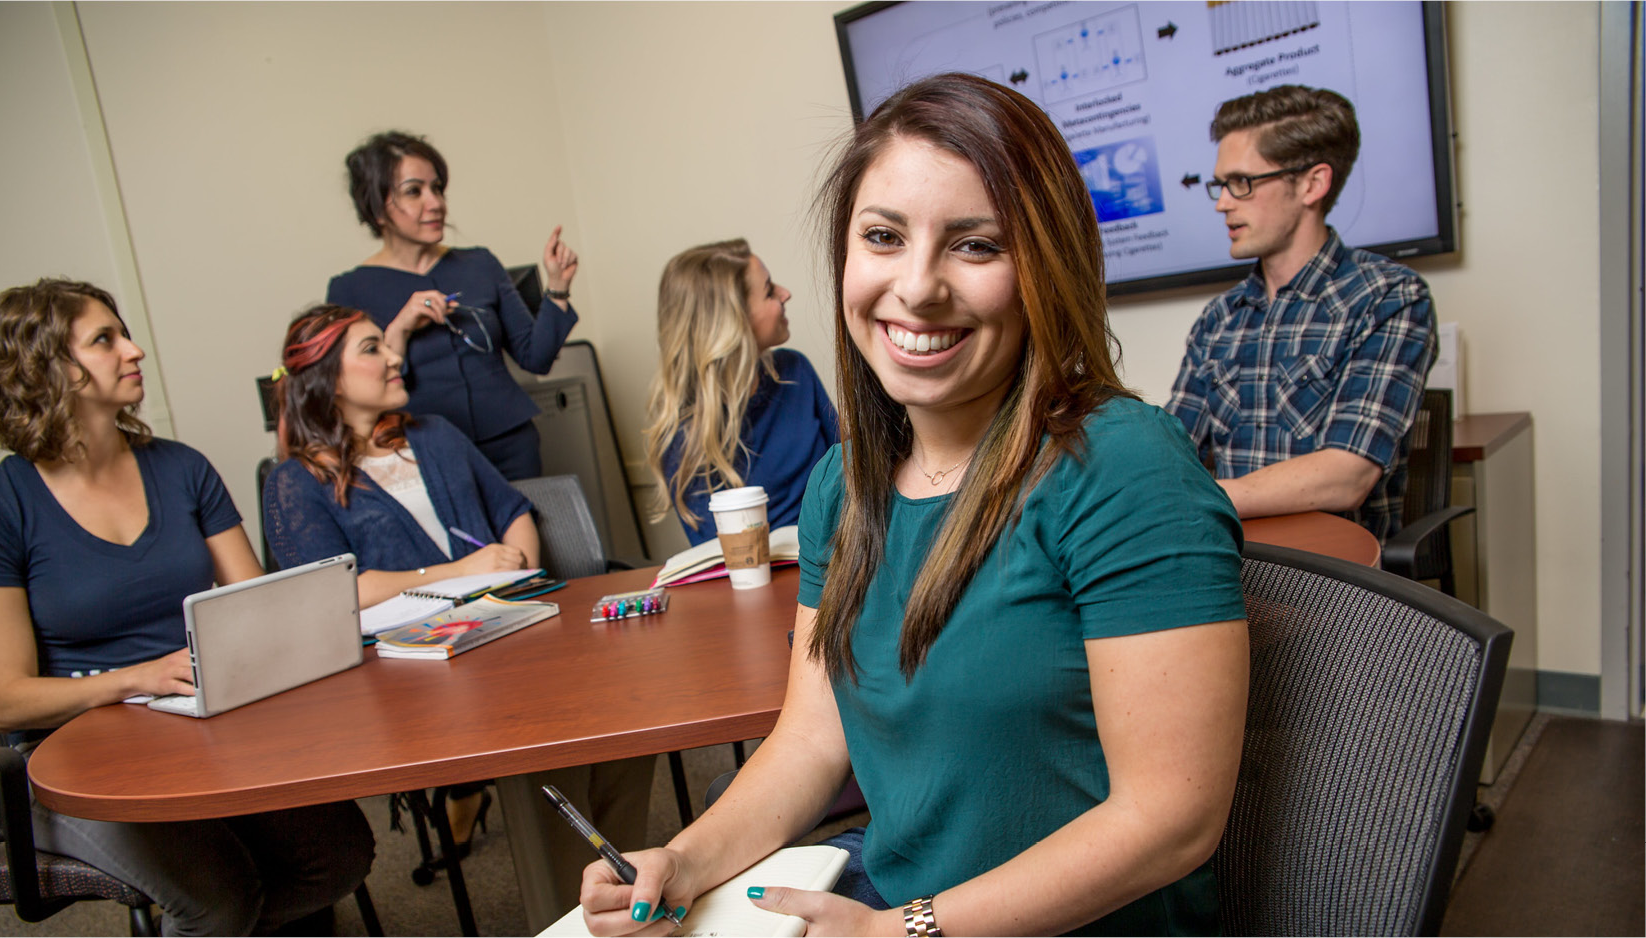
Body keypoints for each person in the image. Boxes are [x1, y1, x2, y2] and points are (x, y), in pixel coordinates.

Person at [577, 73, 1249, 937]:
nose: (918, 286)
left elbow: (1169, 822)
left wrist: (900, 932)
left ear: (1046, 265)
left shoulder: (1122, 467)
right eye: (884, 237)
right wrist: (685, 859)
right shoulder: (843, 483)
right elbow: (813, 741)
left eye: (975, 246)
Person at [0, 279, 373, 936]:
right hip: (77, 757)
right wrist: (135, 679)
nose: (133, 350)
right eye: (105, 339)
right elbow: (4, 700)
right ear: (47, 369)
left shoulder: (183, 469)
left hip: (203, 726)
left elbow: (260, 611)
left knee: (338, 858)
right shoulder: (1, 506)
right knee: (217, 901)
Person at [261, 304, 653, 911]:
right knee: (552, 739)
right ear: (327, 379)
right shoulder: (295, 482)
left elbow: (512, 508)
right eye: (371, 349)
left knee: (630, 716)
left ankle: (622, 883)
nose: (394, 356)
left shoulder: (435, 434)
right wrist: (463, 571)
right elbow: (330, 590)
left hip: (514, 627)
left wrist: (519, 561)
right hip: (416, 676)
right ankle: (574, 911)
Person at [1165, 85, 1438, 541]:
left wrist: (1198, 498)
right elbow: (1171, 455)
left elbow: (1346, 475)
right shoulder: (1219, 319)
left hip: (1337, 584)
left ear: (1313, 184)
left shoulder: (1388, 297)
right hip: (1233, 567)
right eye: (1221, 184)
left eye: (1242, 183)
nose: (1222, 202)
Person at [327, 130, 583, 482]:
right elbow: (355, 394)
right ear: (377, 206)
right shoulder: (350, 289)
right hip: (422, 453)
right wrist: (399, 328)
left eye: (437, 189)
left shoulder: (480, 264)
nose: (435, 203)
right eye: (414, 191)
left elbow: (535, 357)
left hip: (511, 445)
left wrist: (557, 288)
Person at [645, 238, 839, 544]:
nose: (785, 294)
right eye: (769, 290)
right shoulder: (686, 435)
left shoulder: (796, 370)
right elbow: (723, 559)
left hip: (842, 561)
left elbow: (854, 470)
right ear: (733, 320)